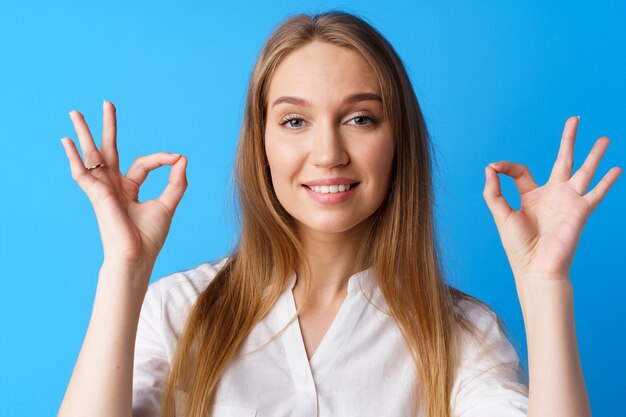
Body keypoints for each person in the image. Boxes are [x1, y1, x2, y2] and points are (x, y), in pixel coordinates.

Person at [57, 11, 620, 417]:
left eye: (360, 119)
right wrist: (125, 269)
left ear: (399, 142)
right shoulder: (178, 310)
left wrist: (546, 284)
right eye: (295, 121)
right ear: (262, 146)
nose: (328, 153)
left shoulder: (461, 335)